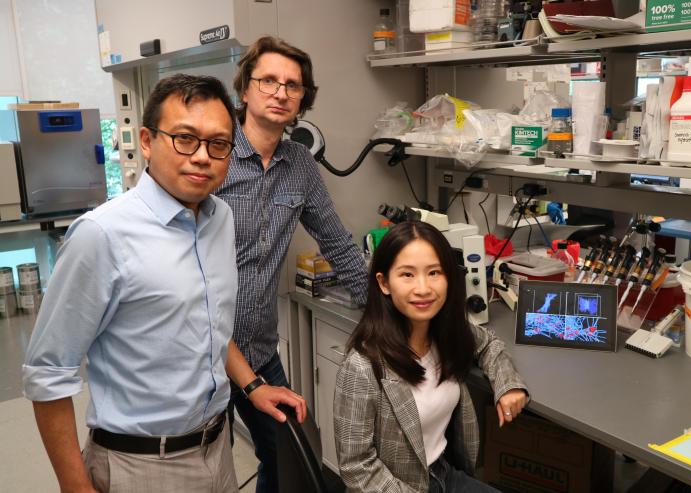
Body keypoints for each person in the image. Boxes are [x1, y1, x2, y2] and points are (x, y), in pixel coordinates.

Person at [22, 73, 305, 493]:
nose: (202, 157)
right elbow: (47, 374)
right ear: (148, 142)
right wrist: (74, 486)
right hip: (139, 464)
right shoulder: (102, 235)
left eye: (218, 144)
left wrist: (253, 387)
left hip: (216, 450)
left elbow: (210, 324)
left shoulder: (220, 219)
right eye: (185, 138)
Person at [216, 35, 368, 492]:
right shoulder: (215, 155)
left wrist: (385, 310)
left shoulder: (300, 164)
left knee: (287, 455)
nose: (281, 92)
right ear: (245, 89)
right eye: (268, 81)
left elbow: (337, 243)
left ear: (302, 98)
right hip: (202, 351)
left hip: (259, 349)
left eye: (293, 85)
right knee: (205, 469)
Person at [334, 221, 529, 493]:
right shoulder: (362, 365)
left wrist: (508, 386)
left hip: (443, 475)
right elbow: (356, 467)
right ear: (384, 283)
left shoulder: (444, 332)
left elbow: (488, 345)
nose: (423, 288)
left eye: (434, 272)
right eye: (407, 275)